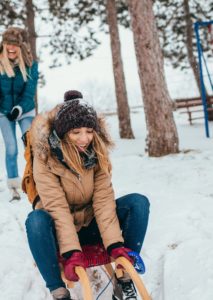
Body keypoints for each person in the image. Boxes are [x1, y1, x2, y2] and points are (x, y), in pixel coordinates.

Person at [25, 90, 150, 300]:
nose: (85, 139)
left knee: (138, 202)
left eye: (89, 131)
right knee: (35, 220)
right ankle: (59, 292)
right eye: (76, 132)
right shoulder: (45, 157)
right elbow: (57, 208)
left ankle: (124, 279)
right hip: (59, 229)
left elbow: (103, 201)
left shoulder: (97, 152)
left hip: (92, 225)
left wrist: (116, 246)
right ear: (63, 133)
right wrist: (72, 253)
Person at [0, 27, 38, 202]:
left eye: (15, 44)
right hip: (4, 111)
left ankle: (37, 182)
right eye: (8, 44)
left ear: (21, 46)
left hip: (25, 111)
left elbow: (29, 92)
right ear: (3, 45)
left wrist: (19, 108)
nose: (11, 48)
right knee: (11, 149)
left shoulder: (30, 64)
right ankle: (14, 187)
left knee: (31, 147)